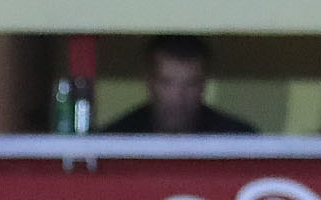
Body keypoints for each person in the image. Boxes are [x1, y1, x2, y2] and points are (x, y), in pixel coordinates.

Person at [103, 34, 257, 135]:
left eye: (190, 84)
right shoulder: (117, 139)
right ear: (150, 83)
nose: (178, 96)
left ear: (203, 85)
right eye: (167, 83)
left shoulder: (235, 138)